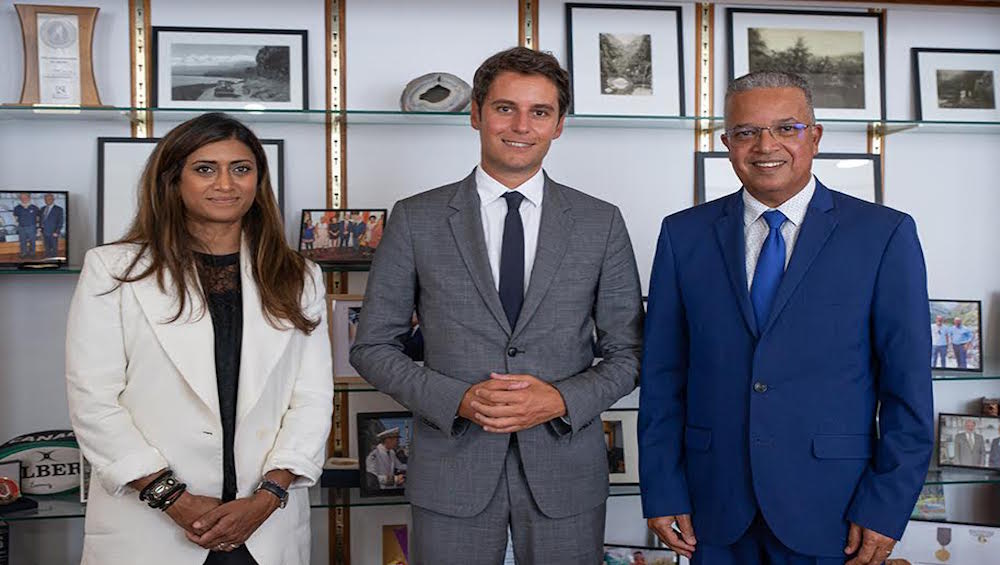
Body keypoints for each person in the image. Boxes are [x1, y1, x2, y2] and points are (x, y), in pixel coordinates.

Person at [350, 46, 643, 564]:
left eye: (540, 112)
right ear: (476, 114)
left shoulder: (600, 222)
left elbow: (630, 353)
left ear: (559, 125)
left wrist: (560, 400)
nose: (521, 126)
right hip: (451, 470)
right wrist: (458, 399)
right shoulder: (416, 218)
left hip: (565, 473)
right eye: (506, 108)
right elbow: (372, 346)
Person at [639, 71, 933, 565]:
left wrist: (887, 505)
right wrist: (662, 487)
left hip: (835, 507)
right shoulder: (682, 235)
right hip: (714, 506)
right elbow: (662, 377)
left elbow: (908, 389)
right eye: (746, 131)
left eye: (786, 128)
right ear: (726, 143)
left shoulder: (883, 235)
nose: (765, 146)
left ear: (814, 137)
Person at [65, 112, 333, 564]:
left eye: (241, 168)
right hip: (151, 526)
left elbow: (312, 400)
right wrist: (173, 498)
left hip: (265, 527)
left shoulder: (298, 276)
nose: (225, 183)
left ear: (258, 181)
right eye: (205, 168)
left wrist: (268, 496)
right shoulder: (113, 271)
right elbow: (93, 402)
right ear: (173, 180)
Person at [12, 192, 40, 258]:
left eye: (25, 197)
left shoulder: (35, 207)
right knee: (22, 241)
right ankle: (23, 253)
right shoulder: (17, 208)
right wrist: (17, 224)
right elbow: (15, 217)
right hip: (21, 227)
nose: (23, 199)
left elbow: (38, 218)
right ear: (20, 199)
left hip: (32, 227)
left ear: (29, 198)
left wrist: (38, 228)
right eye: (22, 198)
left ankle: (32, 254)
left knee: (32, 241)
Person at [39, 193, 64, 258]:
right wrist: (40, 229)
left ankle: (54, 258)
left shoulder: (59, 209)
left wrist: (57, 232)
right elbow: (41, 220)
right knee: (46, 246)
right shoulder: (42, 208)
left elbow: (60, 221)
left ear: (53, 199)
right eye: (46, 199)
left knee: (54, 247)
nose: (47, 200)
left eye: (49, 199)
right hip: (44, 231)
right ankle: (47, 257)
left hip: (53, 232)